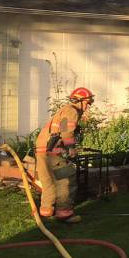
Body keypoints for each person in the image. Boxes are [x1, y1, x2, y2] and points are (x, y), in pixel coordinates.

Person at [34, 87, 95, 224]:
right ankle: (64, 212)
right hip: (54, 151)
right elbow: (66, 131)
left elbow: (60, 129)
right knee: (66, 180)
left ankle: (46, 210)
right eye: (87, 102)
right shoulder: (72, 111)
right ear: (79, 101)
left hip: (42, 149)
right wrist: (71, 148)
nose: (88, 105)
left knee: (48, 181)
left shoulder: (65, 109)